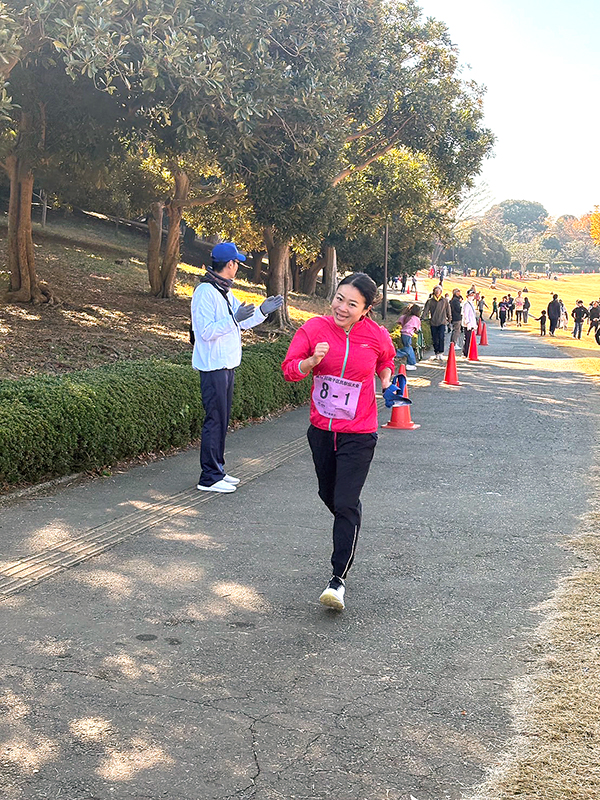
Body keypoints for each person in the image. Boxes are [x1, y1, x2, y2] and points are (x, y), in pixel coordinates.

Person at [281, 273, 395, 611]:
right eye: (339, 298)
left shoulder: (376, 335)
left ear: (366, 309)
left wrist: (386, 378)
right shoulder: (314, 329)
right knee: (330, 496)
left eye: (352, 304)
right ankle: (350, 518)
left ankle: (337, 580)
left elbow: (386, 360)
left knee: (345, 503)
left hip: (359, 433)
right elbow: (289, 369)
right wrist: (310, 362)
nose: (342, 308)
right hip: (321, 431)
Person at [192, 242, 283, 493]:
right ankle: (209, 477)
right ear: (230, 264)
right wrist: (234, 318)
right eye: (237, 263)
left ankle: (218, 469)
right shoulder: (205, 291)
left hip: (226, 365)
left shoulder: (223, 290)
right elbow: (205, 331)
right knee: (215, 420)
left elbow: (240, 322)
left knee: (222, 420)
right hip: (213, 366)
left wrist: (262, 311)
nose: (238, 267)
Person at [423, 285, 451, 360]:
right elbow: (425, 310)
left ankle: (441, 352)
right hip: (433, 322)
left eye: (439, 291)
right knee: (435, 338)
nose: (437, 293)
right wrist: (422, 317)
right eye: (436, 291)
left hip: (442, 322)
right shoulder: (430, 301)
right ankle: (436, 352)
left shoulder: (444, 301)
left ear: (441, 292)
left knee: (441, 337)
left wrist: (449, 319)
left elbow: (448, 310)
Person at [396, 304, 421, 370]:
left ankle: (411, 363)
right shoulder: (415, 318)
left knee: (408, 348)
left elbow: (399, 321)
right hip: (408, 334)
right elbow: (417, 329)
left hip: (403, 334)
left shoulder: (406, 316)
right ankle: (410, 363)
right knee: (408, 349)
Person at [461, 288, 477, 356]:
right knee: (467, 339)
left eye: (473, 295)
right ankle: (465, 353)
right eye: (470, 295)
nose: (472, 296)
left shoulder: (471, 304)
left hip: (472, 323)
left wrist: (475, 324)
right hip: (468, 324)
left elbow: (473, 315)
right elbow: (465, 314)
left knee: (470, 339)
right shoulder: (466, 304)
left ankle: (468, 352)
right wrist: (468, 323)